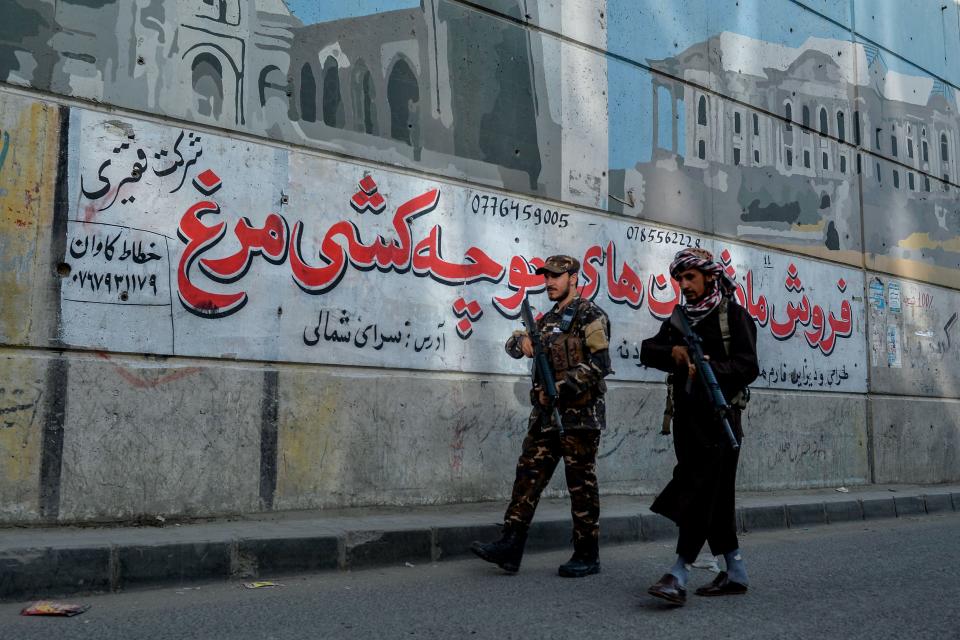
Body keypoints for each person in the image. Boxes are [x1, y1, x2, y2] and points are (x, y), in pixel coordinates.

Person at [470, 255, 612, 578]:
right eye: (546, 277)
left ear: (574, 278)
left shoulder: (592, 316)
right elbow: (512, 345)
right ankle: (511, 545)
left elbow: (600, 365)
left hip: (580, 418)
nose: (549, 282)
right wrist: (521, 342)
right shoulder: (546, 322)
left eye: (556, 277)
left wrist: (559, 388)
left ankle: (587, 554)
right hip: (547, 418)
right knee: (527, 477)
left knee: (581, 486)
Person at [640, 248, 759, 606]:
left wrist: (708, 368)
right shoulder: (680, 318)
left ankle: (679, 572)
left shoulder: (734, 317)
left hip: (721, 421)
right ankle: (735, 571)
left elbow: (748, 366)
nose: (684, 285)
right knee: (716, 498)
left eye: (690, 277)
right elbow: (648, 350)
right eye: (679, 279)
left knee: (699, 492)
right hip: (688, 422)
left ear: (709, 276)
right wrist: (673, 355)